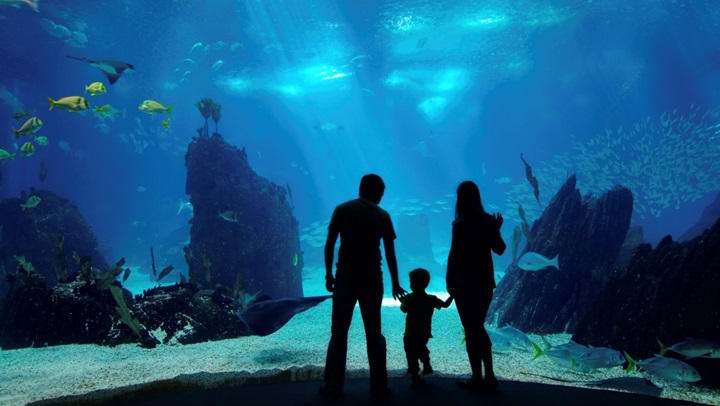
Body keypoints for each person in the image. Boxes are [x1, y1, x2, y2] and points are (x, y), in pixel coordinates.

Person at [319, 174, 407, 400]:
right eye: (381, 192)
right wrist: (395, 282)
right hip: (371, 279)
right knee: (373, 333)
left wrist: (329, 274)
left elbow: (329, 245)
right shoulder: (382, 215)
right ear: (375, 190)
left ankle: (333, 386)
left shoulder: (342, 209)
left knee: (339, 332)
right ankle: (379, 387)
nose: (381, 197)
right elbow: (390, 254)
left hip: (345, 277)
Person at [446, 180, 506, 392]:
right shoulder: (489, 221)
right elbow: (500, 249)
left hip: (463, 283)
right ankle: (486, 376)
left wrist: (449, 281)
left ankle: (480, 378)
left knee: (472, 329)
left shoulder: (460, 223)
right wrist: (496, 230)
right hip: (483, 284)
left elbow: (454, 255)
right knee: (476, 327)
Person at [399, 268, 453, 388]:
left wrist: (402, 301)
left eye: (411, 282)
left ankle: (415, 376)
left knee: (411, 354)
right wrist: (453, 295)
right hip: (424, 333)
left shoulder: (409, 298)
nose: (411, 284)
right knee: (421, 347)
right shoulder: (431, 299)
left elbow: (403, 309)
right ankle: (426, 363)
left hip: (410, 333)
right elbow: (445, 304)